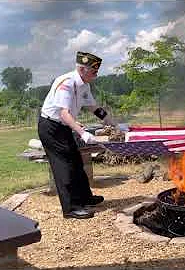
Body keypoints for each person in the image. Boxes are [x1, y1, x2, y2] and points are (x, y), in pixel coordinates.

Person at [38, 51, 117, 219]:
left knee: (76, 161)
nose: (96, 76)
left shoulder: (84, 86)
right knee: (64, 166)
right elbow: (64, 113)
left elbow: (95, 108)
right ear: (82, 69)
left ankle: (85, 198)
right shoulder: (67, 83)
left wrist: (114, 123)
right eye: (93, 72)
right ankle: (71, 208)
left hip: (64, 127)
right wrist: (82, 133)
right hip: (51, 127)